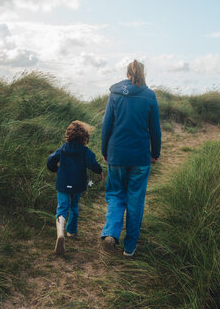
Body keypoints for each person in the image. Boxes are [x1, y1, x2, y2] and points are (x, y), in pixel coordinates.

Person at [100, 59, 161, 257]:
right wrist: (155, 153)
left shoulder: (115, 93)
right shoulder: (150, 96)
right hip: (140, 158)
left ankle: (110, 233)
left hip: (116, 154)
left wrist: (104, 150)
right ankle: (129, 248)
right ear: (143, 75)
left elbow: (106, 125)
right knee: (135, 200)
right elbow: (155, 130)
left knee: (116, 195)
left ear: (127, 75)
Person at [47, 120, 104, 255]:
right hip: (77, 184)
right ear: (84, 136)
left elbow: (50, 161)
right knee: (74, 206)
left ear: (69, 134)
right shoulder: (85, 151)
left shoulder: (62, 149)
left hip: (63, 182)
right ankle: (71, 232)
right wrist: (100, 171)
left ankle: (60, 231)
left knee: (62, 206)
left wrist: (55, 169)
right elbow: (93, 164)